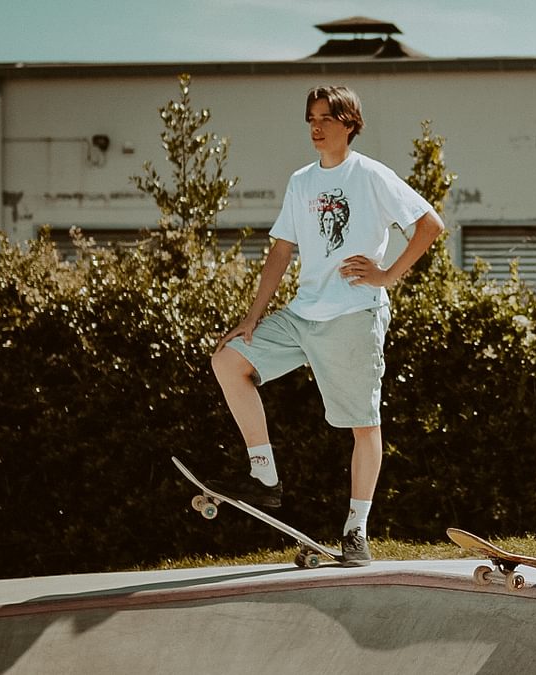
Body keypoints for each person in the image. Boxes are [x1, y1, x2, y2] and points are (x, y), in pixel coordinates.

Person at [208, 85, 444, 566]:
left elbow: (430, 224)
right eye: (310, 119)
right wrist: (253, 316)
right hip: (301, 315)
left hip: (354, 316)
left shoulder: (371, 175)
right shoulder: (301, 181)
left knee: (364, 424)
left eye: (326, 119)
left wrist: (387, 275)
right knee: (228, 361)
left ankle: (356, 531)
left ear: (349, 123)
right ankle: (264, 479)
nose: (316, 128)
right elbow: (280, 250)